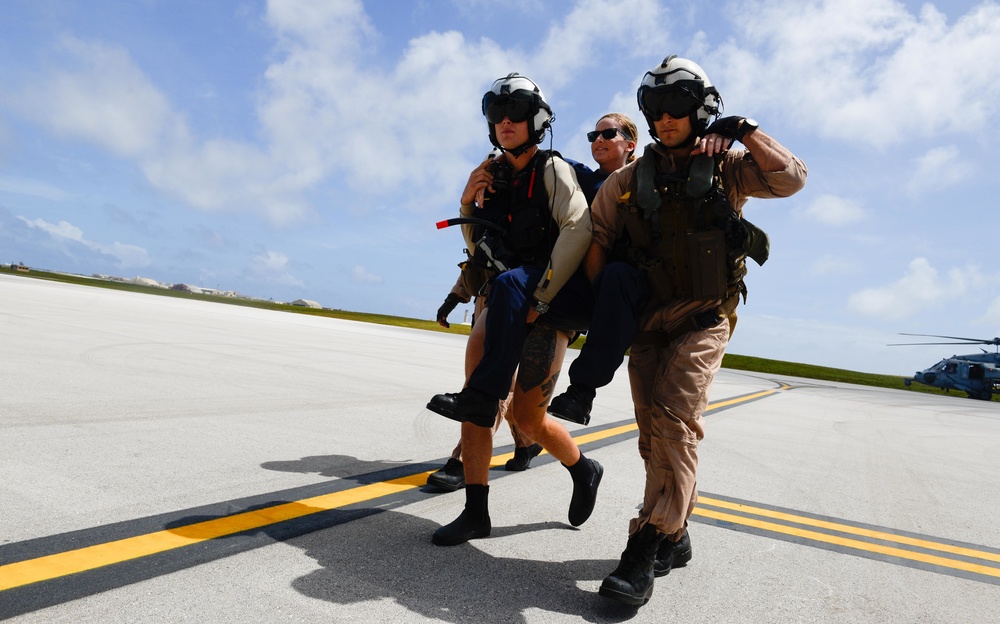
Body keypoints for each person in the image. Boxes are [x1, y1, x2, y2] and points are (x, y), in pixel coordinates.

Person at [585, 56, 807, 606]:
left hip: (706, 316)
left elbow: (791, 177)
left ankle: (647, 542)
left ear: (702, 107)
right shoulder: (626, 181)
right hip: (649, 322)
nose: (665, 117)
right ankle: (678, 533)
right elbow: (597, 240)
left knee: (674, 419)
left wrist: (743, 130)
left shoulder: (729, 166)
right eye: (655, 107)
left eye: (678, 104)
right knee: (649, 432)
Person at [426, 73, 603, 546]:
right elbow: (480, 242)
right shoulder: (493, 175)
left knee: (527, 418)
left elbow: (578, 229)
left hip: (548, 297)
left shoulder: (552, 169)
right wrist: (466, 199)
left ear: (537, 118)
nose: (505, 121)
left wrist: (542, 296)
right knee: (476, 401)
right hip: (504, 296)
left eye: (516, 111)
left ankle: (583, 468)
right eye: (496, 113)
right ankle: (475, 511)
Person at [427, 112, 639, 488]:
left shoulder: (638, 185)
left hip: (561, 300)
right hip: (517, 289)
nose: (598, 139)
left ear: (631, 143)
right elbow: (492, 246)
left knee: (527, 415)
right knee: (484, 387)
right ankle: (464, 465)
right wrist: (456, 292)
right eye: (594, 133)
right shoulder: (574, 175)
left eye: (609, 133)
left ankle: (571, 460)